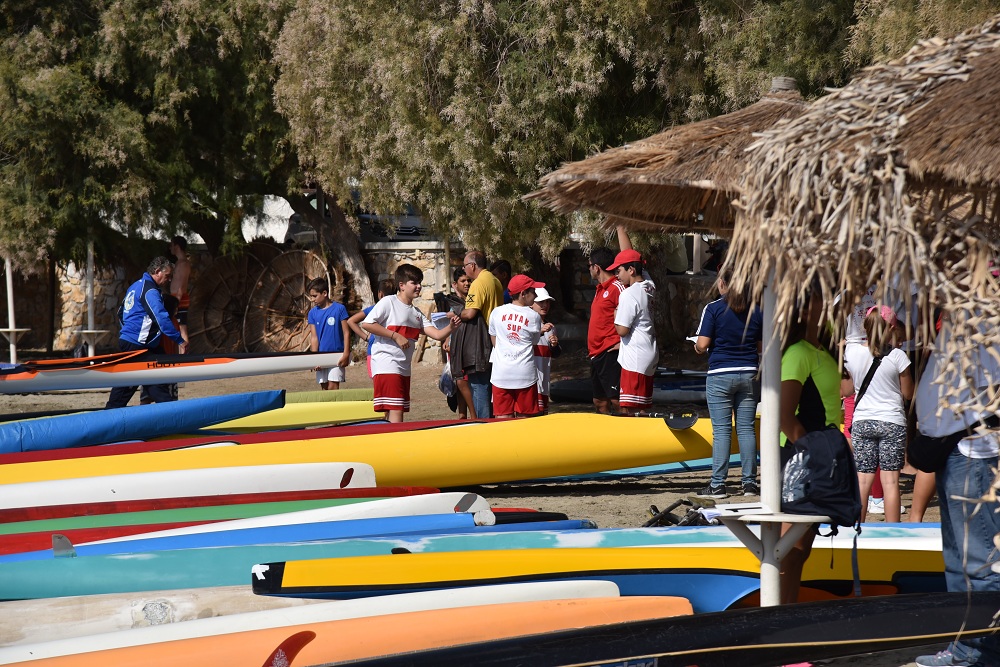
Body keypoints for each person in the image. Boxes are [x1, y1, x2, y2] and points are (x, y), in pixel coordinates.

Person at [913, 325, 1000, 667]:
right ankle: (967, 648)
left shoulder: (984, 319)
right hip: (957, 450)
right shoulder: (959, 319)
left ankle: (983, 653)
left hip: (972, 451)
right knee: (959, 562)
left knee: (979, 563)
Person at [778, 289, 842, 604]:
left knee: (803, 549)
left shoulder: (823, 349)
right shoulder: (797, 353)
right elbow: (784, 416)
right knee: (790, 549)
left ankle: (788, 612)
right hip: (800, 458)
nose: (828, 302)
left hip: (821, 454)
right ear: (803, 310)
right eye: (821, 298)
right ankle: (776, 615)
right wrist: (814, 454)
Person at [694, 268, 763, 498]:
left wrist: (696, 347)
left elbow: (703, 344)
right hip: (749, 373)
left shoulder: (713, 308)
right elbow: (760, 346)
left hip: (720, 373)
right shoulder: (757, 309)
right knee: (746, 429)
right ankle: (749, 483)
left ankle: (718, 484)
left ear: (723, 283)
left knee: (722, 431)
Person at [361, 263, 459, 423]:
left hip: (404, 369)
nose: (419, 286)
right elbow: (367, 324)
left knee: (394, 411)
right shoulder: (388, 302)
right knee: (396, 411)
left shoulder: (416, 313)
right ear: (401, 285)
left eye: (420, 282)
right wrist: (395, 336)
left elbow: (437, 334)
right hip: (387, 365)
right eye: (414, 282)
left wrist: (451, 327)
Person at [844, 306, 913, 523]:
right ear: (892, 328)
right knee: (890, 481)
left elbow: (846, 389)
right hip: (892, 421)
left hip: (862, 420)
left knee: (863, 480)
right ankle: (894, 532)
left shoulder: (851, 353)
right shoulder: (898, 356)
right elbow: (908, 393)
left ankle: (857, 528)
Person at [105, 257, 187, 409]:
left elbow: (121, 313)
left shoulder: (135, 286)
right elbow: (161, 318)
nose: (169, 280)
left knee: (138, 380)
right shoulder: (150, 291)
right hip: (138, 345)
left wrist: (129, 332)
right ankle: (171, 411)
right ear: (157, 271)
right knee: (149, 383)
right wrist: (180, 340)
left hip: (132, 342)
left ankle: (111, 411)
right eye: (168, 276)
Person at [608, 249, 657, 416]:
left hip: (635, 358)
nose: (616, 276)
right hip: (649, 351)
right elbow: (638, 263)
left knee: (631, 410)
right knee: (641, 408)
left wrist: (615, 314)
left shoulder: (628, 294)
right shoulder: (650, 285)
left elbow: (622, 330)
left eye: (618, 270)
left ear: (631, 270)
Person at [488, 274, 544, 419]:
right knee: (524, 420)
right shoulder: (534, 316)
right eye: (533, 291)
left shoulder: (496, 312)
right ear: (523, 294)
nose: (536, 295)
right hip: (525, 375)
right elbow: (534, 341)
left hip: (501, 374)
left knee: (502, 419)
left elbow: (494, 339)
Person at [459, 250, 503, 419]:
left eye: (464, 266)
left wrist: (456, 313)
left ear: (472, 266)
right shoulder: (495, 280)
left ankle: (482, 426)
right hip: (495, 340)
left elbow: (470, 313)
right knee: (489, 388)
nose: (464, 270)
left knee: (479, 387)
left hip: (480, 342)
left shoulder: (478, 283)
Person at [586, 246, 625, 414]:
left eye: (589, 265)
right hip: (596, 353)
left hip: (610, 352)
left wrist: (623, 343)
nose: (589, 269)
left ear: (596, 267)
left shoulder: (618, 287)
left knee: (617, 400)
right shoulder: (600, 288)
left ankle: (629, 429)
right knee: (599, 401)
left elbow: (633, 314)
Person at [306, 278, 351, 390]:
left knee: (333, 387)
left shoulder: (339, 309)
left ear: (324, 293)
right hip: (321, 356)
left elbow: (346, 332)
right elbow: (314, 337)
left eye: (315, 296)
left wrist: (346, 354)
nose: (312, 299)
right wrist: (314, 357)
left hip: (337, 355)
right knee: (324, 388)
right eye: (311, 296)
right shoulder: (312, 313)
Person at [348, 278, 396, 379]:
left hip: (375, 351)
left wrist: (366, 337)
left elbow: (351, 321)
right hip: (392, 350)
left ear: (380, 294)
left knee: (379, 381)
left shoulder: (374, 309)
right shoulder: (398, 309)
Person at [443, 267, 473, 418]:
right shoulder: (454, 301)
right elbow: (452, 324)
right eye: (463, 281)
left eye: (469, 280)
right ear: (456, 284)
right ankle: (462, 415)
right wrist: (447, 339)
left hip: (467, 346)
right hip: (455, 345)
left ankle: (474, 415)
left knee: (463, 381)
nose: (467, 283)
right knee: (459, 382)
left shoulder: (472, 299)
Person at [531, 287, 560, 415]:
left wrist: (554, 345)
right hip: (531, 380)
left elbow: (556, 353)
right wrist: (539, 332)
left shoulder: (550, 327)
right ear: (531, 304)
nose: (545, 305)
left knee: (542, 415)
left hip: (544, 380)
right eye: (540, 302)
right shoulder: (527, 325)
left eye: (547, 302)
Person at [168, 236, 191, 345]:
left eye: (171, 245)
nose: (170, 248)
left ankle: (184, 353)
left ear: (177, 246)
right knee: (177, 327)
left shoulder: (183, 264)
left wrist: (176, 303)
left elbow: (181, 286)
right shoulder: (179, 263)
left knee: (182, 328)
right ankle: (179, 351)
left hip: (179, 298)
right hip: (175, 297)